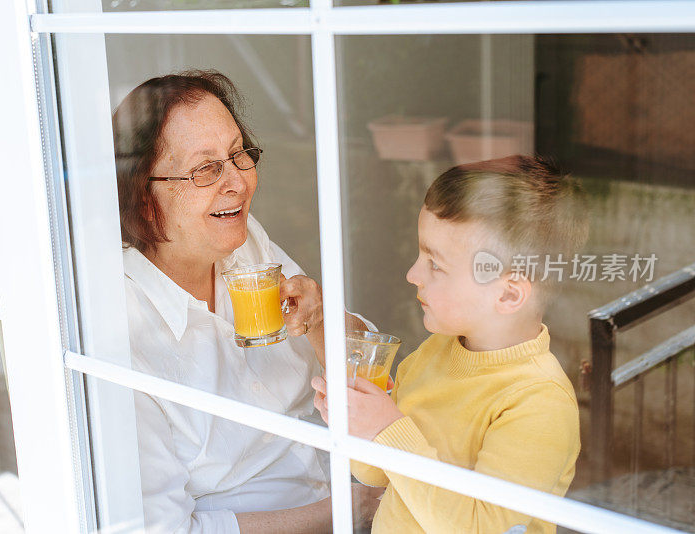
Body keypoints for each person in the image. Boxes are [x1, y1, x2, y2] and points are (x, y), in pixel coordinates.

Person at [113, 71, 381, 533]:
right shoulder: (123, 331)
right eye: (205, 169)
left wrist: (319, 320)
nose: (238, 182)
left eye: (238, 154)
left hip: (360, 485)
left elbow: (372, 369)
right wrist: (340, 512)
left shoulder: (243, 245)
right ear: (142, 195)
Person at [313, 155, 589, 533]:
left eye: (436, 264)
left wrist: (389, 430)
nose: (413, 274)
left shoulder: (539, 402)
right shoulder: (438, 350)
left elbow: (477, 527)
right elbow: (378, 474)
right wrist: (358, 423)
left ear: (508, 295)